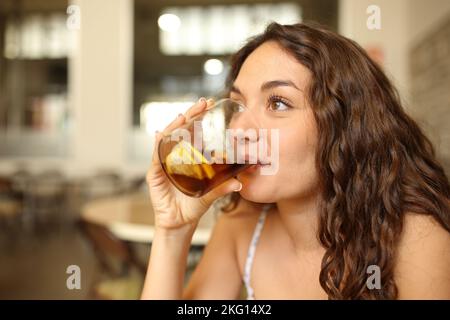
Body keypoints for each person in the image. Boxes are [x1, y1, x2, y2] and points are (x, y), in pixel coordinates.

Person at [141, 22, 450, 300]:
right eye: (237, 105)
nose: (241, 130)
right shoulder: (241, 226)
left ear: (345, 126)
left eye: (277, 102)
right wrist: (173, 231)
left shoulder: (416, 240)